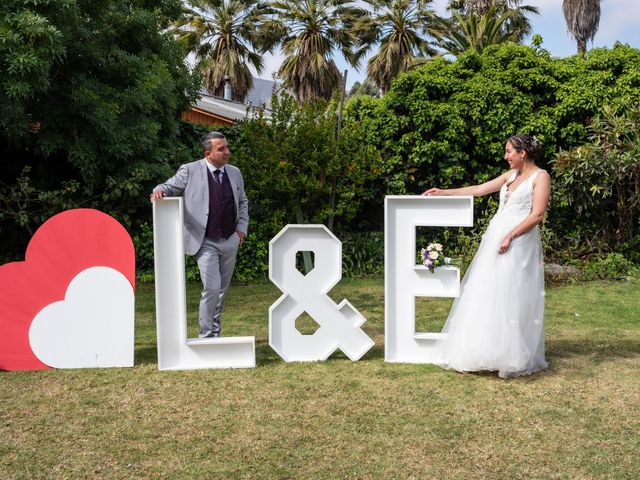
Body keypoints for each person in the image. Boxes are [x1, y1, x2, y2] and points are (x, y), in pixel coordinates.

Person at [422, 134, 550, 378]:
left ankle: (511, 355)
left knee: (512, 295)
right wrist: (444, 192)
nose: (505, 156)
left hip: (519, 241)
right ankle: (485, 350)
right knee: (488, 291)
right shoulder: (510, 176)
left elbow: (536, 215)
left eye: (509, 151)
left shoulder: (540, 177)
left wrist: (511, 236)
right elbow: (480, 189)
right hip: (496, 236)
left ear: (522, 153)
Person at [150, 131, 248, 338]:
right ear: (208, 153)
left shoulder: (235, 172)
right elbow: (169, 186)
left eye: (227, 147)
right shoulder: (189, 170)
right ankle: (206, 336)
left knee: (222, 291)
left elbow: (242, 202)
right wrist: (159, 190)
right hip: (204, 241)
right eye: (221, 149)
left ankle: (215, 333)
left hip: (230, 239)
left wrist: (241, 230)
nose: (227, 152)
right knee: (212, 288)